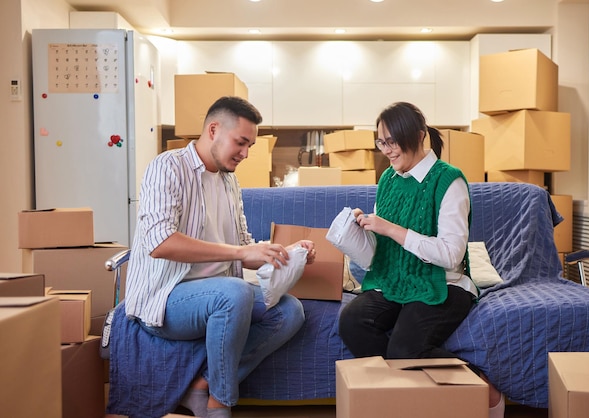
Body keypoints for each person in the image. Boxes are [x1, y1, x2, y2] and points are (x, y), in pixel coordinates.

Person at [123, 96, 316, 418]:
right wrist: (241, 251)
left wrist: (284, 254)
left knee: (290, 311)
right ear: (213, 129)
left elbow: (243, 251)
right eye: (241, 143)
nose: (245, 153)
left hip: (221, 293)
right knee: (235, 292)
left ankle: (202, 387)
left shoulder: (229, 181)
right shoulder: (167, 166)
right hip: (166, 297)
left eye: (250, 145)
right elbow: (160, 242)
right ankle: (219, 404)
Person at [338, 101, 504, 418]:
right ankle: (406, 398)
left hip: (443, 282)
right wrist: (360, 234)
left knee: (404, 350)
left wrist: (392, 229)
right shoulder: (388, 179)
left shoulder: (449, 181)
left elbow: (451, 254)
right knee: (352, 322)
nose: (385, 149)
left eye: (391, 141)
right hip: (395, 279)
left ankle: (484, 387)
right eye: (380, 142)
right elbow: (381, 251)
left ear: (418, 136)